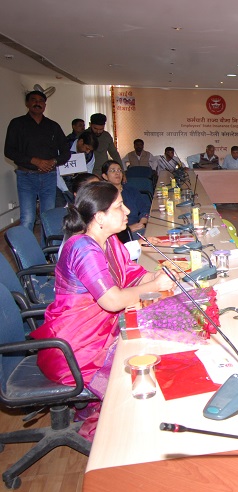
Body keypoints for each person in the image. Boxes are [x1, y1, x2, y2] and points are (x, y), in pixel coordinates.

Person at [30, 181, 174, 437]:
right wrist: (155, 285)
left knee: (160, 344)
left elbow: (133, 275)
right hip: (77, 347)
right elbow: (112, 300)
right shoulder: (82, 248)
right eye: (119, 206)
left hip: (101, 334)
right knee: (146, 370)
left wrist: (157, 275)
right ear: (99, 217)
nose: (128, 211)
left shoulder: (109, 241)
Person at [4, 90, 71, 232]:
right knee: (28, 218)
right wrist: (34, 161)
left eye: (41, 101)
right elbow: (9, 151)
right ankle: (25, 246)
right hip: (26, 176)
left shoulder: (53, 126)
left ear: (45, 105)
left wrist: (53, 161)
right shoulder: (17, 124)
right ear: (27, 103)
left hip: (49, 177)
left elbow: (66, 151)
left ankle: (47, 247)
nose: (37, 103)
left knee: (48, 217)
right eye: (33, 100)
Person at [101, 160, 149, 236]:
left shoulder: (131, 190)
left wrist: (142, 223)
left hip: (138, 228)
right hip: (117, 234)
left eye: (119, 170)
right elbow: (105, 226)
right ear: (105, 176)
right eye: (113, 170)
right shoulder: (103, 196)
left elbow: (144, 209)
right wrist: (128, 229)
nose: (117, 173)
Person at [57, 130, 98, 205]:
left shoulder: (90, 155)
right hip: (59, 185)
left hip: (77, 186)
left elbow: (87, 174)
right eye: (87, 148)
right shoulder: (63, 147)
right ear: (81, 142)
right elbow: (56, 172)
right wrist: (65, 190)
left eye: (90, 150)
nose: (88, 152)